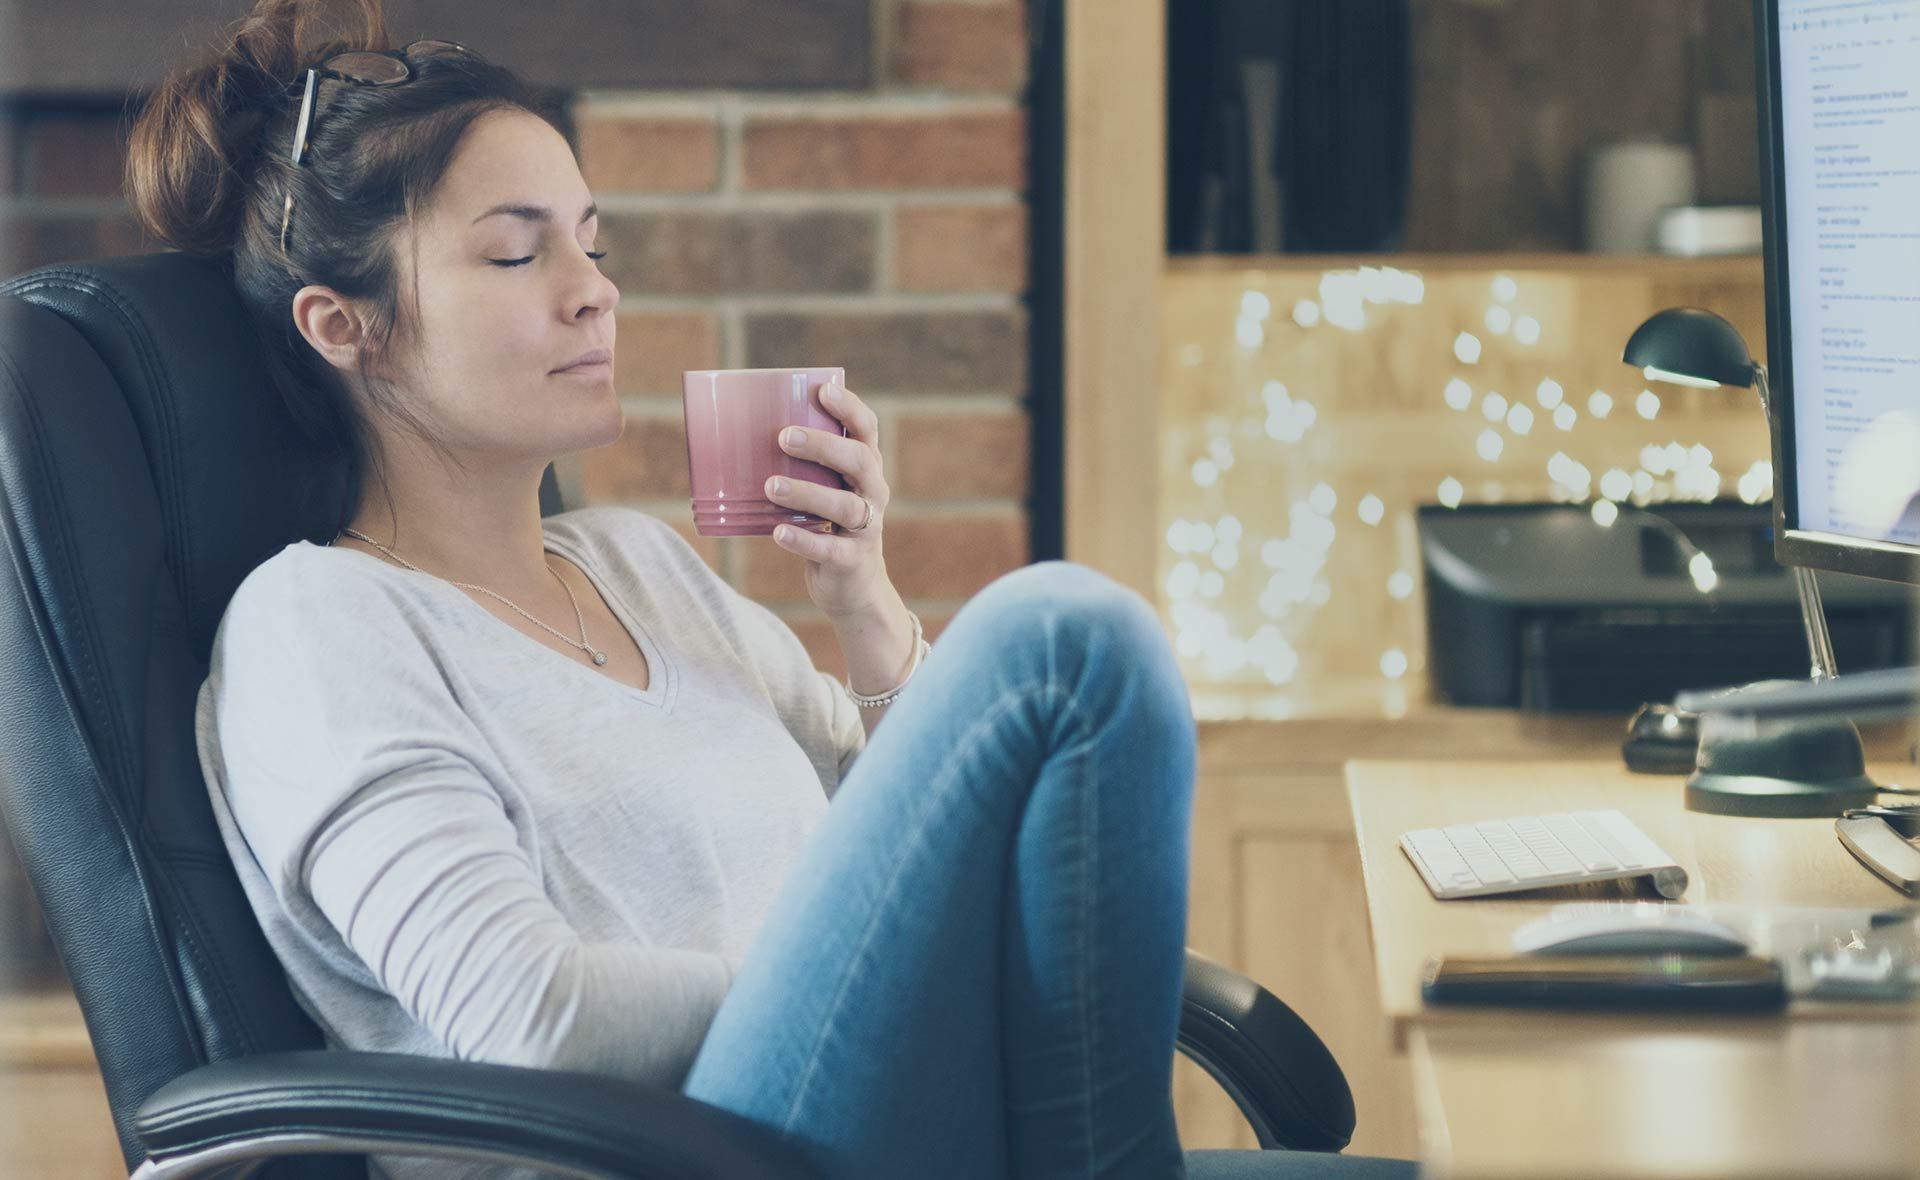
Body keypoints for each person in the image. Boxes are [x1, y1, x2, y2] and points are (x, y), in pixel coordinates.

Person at [132, 2, 1414, 1177]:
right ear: (340, 326)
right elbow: (528, 1019)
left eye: (591, 241)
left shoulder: (637, 565)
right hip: (679, 1154)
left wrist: (861, 600)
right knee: (1060, 639)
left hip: (868, 1118)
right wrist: (869, 971)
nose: (596, 293)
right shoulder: (321, 629)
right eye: (517, 258)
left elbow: (905, 832)